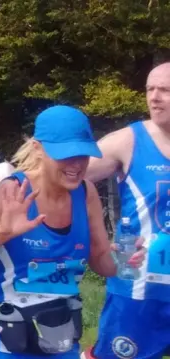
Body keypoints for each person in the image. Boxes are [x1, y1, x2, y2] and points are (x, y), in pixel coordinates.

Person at [0, 105, 145, 359]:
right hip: (3, 339)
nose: (76, 164)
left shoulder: (85, 194)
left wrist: (123, 260)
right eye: (66, 155)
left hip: (59, 334)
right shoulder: (12, 192)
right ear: (38, 149)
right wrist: (1, 232)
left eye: (83, 154)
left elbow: (101, 261)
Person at [82, 62, 170, 359]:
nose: (154, 97)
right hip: (136, 282)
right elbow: (70, 176)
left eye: (165, 90)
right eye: (150, 89)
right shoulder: (129, 140)